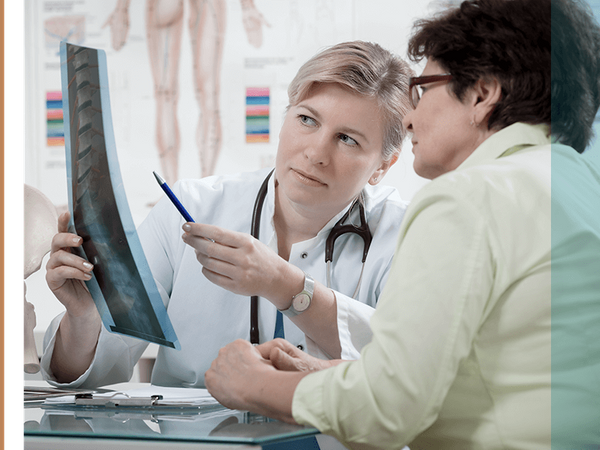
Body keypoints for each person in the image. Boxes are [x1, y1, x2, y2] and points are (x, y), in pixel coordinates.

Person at [204, 0, 600, 448]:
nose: (410, 116)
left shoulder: (469, 198)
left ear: (483, 94)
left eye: (424, 88)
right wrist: (326, 374)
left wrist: (251, 385)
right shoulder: (581, 185)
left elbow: (388, 410)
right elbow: (505, 376)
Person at [41, 41, 415, 388]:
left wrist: (284, 286)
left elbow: (407, 373)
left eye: (347, 139)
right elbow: (95, 378)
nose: (316, 153)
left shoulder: (408, 236)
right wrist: (85, 318)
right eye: (307, 120)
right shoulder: (189, 210)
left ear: (383, 165)